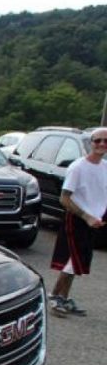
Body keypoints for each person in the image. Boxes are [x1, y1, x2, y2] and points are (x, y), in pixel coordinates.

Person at [48, 127, 107, 317]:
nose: (101, 144)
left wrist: (97, 216)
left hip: (95, 221)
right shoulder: (78, 167)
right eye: (97, 141)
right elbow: (64, 198)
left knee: (76, 262)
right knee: (72, 262)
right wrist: (86, 216)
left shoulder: (105, 167)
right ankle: (55, 297)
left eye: (105, 141)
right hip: (78, 220)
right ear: (91, 143)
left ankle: (63, 298)